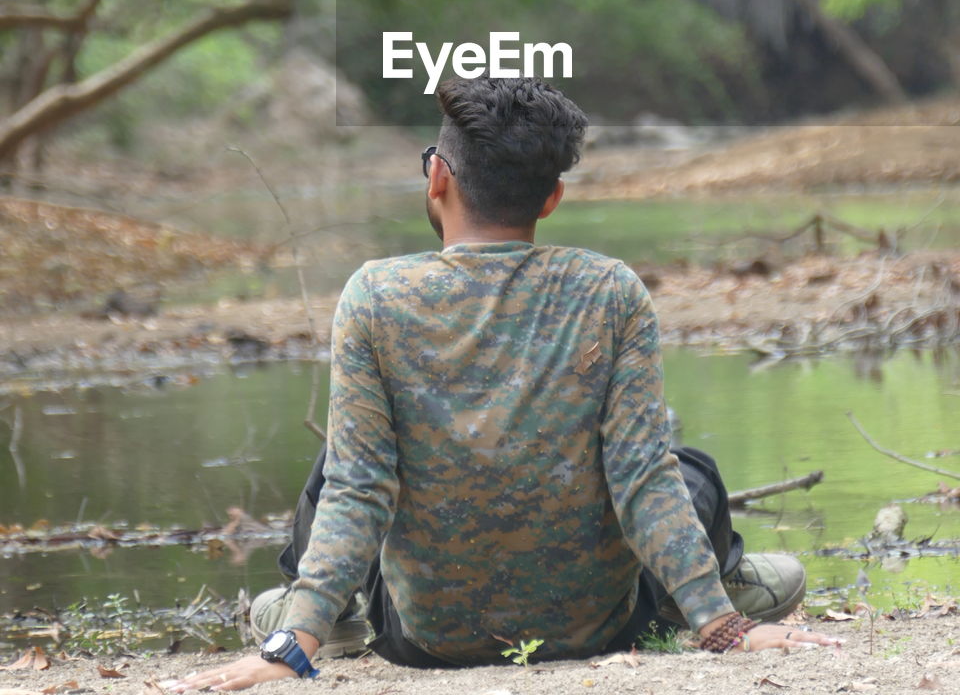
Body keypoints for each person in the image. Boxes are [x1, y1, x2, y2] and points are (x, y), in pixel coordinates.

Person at [176, 77, 838, 690]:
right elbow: (640, 474)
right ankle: (703, 591)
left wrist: (295, 640)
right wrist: (722, 626)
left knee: (340, 466)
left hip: (425, 637)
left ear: (437, 177)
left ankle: (322, 614)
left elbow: (361, 487)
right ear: (552, 197)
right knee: (687, 470)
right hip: (595, 627)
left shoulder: (374, 295)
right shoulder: (611, 290)